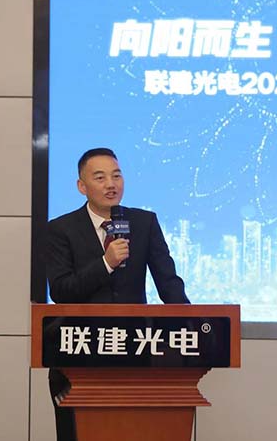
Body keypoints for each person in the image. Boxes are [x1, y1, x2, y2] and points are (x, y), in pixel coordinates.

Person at [45, 147, 190, 441]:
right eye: (100, 178)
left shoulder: (144, 223)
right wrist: (106, 263)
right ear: (82, 186)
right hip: (79, 356)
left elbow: (169, 284)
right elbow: (61, 291)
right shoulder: (60, 229)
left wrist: (194, 324)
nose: (111, 184)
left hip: (134, 353)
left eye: (116, 176)